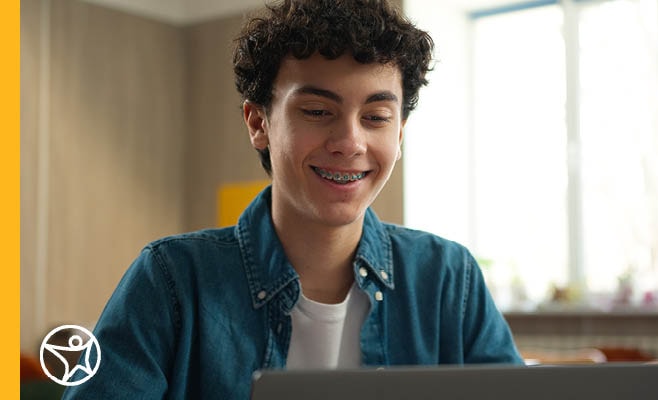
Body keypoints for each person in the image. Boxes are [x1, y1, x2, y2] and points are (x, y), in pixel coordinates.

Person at [63, 0, 522, 398]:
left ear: (399, 134)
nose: (349, 141)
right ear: (258, 123)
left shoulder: (448, 280)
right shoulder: (171, 281)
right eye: (318, 112)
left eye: (377, 116)